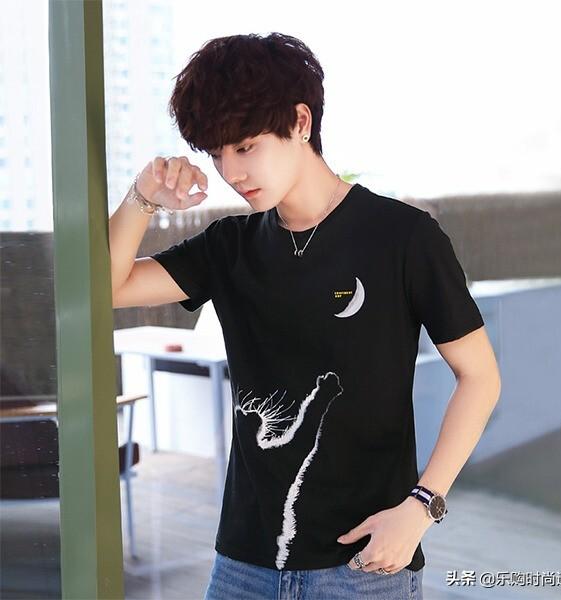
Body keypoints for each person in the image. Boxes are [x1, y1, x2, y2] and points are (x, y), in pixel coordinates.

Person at [109, 32, 501, 600]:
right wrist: (142, 197)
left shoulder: (403, 238)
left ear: (300, 121)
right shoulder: (229, 246)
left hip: (365, 564)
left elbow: (480, 376)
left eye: (245, 146)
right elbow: (109, 287)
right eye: (217, 153)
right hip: (242, 565)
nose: (231, 171)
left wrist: (422, 506)